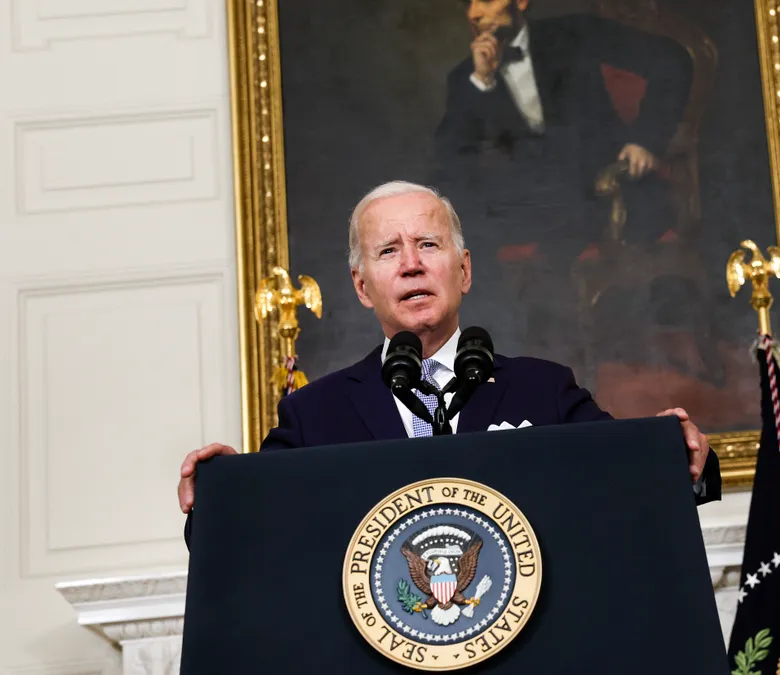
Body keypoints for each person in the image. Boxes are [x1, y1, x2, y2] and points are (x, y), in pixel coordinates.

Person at [177, 180, 720, 520]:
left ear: (463, 271)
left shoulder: (543, 389)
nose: (411, 263)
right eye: (389, 251)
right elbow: (248, 524)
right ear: (363, 288)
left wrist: (681, 458)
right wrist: (222, 490)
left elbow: (626, 477)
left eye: (428, 245)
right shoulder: (313, 414)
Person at [431, 0, 692, 364]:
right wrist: (483, 83)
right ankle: (502, 359)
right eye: (469, 4)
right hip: (531, 205)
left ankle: (568, 367)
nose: (473, 13)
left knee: (552, 259)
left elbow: (672, 59)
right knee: (462, 235)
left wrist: (646, 139)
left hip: (605, 191)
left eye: (486, 0)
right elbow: (448, 164)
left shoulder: (576, 34)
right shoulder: (467, 78)